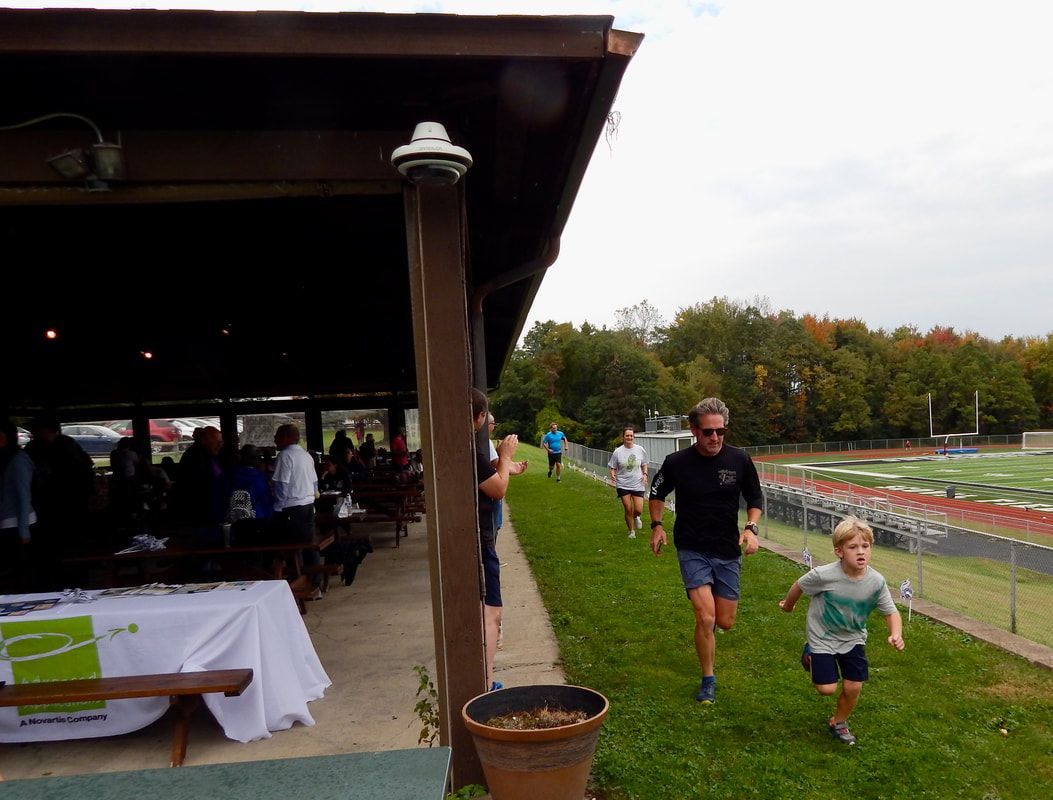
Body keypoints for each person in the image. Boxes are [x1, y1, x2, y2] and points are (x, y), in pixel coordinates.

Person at [648, 397, 763, 705]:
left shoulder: (739, 460)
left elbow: (755, 498)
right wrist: (656, 525)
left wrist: (751, 529)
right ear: (694, 430)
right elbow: (657, 492)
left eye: (720, 432)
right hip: (691, 546)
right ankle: (708, 678)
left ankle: (709, 635)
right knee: (706, 616)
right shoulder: (677, 463)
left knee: (725, 621)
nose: (715, 438)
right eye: (708, 432)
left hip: (726, 548)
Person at [778, 516, 905, 745]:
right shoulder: (823, 575)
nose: (861, 552)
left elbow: (890, 612)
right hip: (822, 637)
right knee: (826, 689)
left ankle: (839, 721)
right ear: (839, 551)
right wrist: (789, 605)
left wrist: (896, 633)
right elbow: (799, 586)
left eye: (865, 546)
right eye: (853, 547)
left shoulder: (876, 581)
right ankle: (810, 654)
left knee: (854, 686)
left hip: (853, 638)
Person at [473, 388, 518, 691]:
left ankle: (484, 678)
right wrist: (504, 457)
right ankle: (485, 683)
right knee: (491, 613)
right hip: (480, 540)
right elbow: (498, 489)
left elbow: (489, 478)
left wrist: (503, 465)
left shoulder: (466, 451)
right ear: (478, 417)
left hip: (479, 538)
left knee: (491, 612)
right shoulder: (472, 450)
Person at [272, 423, 321, 590]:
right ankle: (315, 581)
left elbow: (281, 485)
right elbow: (315, 483)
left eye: (277, 436)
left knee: (292, 546)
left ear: (286, 437)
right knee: (309, 543)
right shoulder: (306, 455)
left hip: (292, 506)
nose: (275, 439)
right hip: (308, 504)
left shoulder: (285, 456)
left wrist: (277, 507)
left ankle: (298, 581)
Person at [171, 425, 226, 545]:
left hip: (207, 515)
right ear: (205, 440)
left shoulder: (209, 456)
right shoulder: (196, 457)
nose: (220, 445)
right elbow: (198, 488)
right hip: (199, 517)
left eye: (221, 442)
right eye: (217, 442)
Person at [0, 417, 37, 594]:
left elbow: (24, 495)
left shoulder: (18, 460)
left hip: (19, 523)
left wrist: (24, 531)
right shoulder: (6, 458)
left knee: (21, 572)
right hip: (8, 521)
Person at [488, 413, 527, 538]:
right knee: (492, 530)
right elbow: (496, 464)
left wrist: (510, 464)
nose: (494, 427)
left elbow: (497, 463)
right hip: (490, 494)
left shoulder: (485, 442)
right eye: (493, 424)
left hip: (489, 492)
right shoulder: (485, 443)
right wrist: (505, 456)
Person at [608, 426, 648, 539]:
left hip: (638, 483)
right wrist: (612, 473)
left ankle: (636, 517)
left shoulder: (640, 449)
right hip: (623, 483)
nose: (629, 437)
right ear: (623, 437)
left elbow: (644, 463)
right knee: (627, 507)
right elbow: (612, 466)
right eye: (627, 435)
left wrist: (645, 475)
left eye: (631, 435)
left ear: (633, 437)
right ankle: (631, 531)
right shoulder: (618, 452)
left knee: (638, 509)